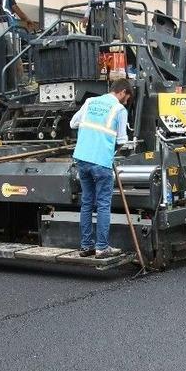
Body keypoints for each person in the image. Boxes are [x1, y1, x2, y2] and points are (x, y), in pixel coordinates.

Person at [70, 79, 133, 259]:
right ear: (122, 92)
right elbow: (122, 140)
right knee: (103, 204)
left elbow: (73, 124)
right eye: (127, 98)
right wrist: (110, 149)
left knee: (87, 203)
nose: (126, 102)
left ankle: (86, 246)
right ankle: (102, 248)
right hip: (101, 162)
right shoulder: (119, 110)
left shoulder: (90, 102)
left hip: (82, 158)